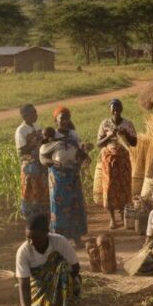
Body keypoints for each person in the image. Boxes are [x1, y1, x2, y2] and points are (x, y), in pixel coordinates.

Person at [16, 213, 81, 306]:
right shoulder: (23, 252)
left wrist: (61, 289)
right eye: (28, 238)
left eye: (36, 238)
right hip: (39, 291)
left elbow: (75, 268)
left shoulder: (59, 241)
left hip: (62, 285)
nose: (31, 242)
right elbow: (24, 287)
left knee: (63, 268)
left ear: (47, 233)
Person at [43, 105, 89, 245]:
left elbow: (80, 152)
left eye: (67, 118)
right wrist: (52, 163)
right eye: (61, 118)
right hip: (58, 176)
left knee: (75, 204)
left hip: (73, 174)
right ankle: (60, 240)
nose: (65, 121)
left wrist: (80, 162)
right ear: (56, 120)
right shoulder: (52, 135)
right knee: (59, 207)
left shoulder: (74, 135)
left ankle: (76, 237)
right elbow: (42, 155)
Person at [96, 99, 138, 229]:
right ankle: (112, 218)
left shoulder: (128, 124)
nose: (116, 111)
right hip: (109, 159)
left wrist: (126, 135)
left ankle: (123, 216)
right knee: (109, 187)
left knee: (124, 186)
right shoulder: (105, 124)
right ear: (110, 109)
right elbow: (99, 143)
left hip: (123, 159)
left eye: (118, 108)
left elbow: (134, 143)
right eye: (113, 108)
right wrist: (109, 136)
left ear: (122, 109)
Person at [15, 104, 48, 220]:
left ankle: (42, 217)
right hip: (30, 167)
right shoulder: (21, 130)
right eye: (33, 113)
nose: (36, 115)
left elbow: (43, 142)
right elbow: (21, 151)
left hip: (40, 164)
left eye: (36, 112)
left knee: (42, 193)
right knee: (30, 193)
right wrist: (34, 142)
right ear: (25, 116)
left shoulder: (36, 126)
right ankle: (31, 219)